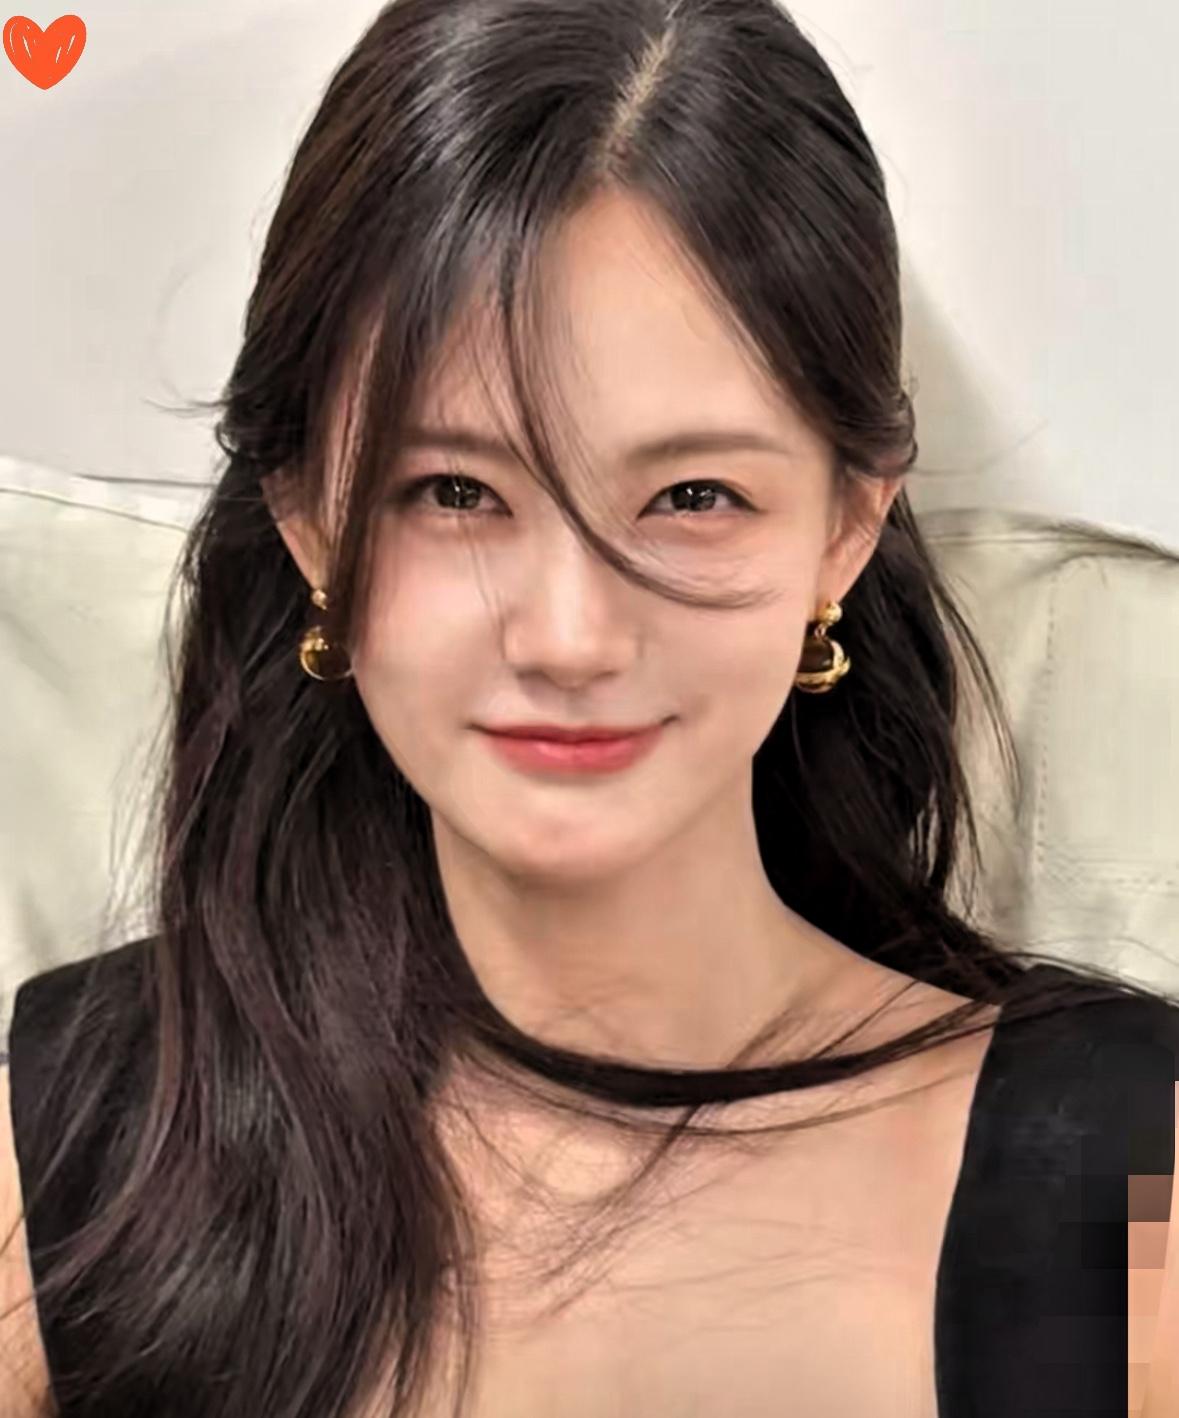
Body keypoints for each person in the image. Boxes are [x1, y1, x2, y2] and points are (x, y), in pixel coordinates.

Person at [2, 0, 1177, 1414]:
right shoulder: (69, 1148)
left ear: (846, 528)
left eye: (693, 496)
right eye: (455, 491)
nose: (570, 636)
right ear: (309, 520)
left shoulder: (1131, 1163)